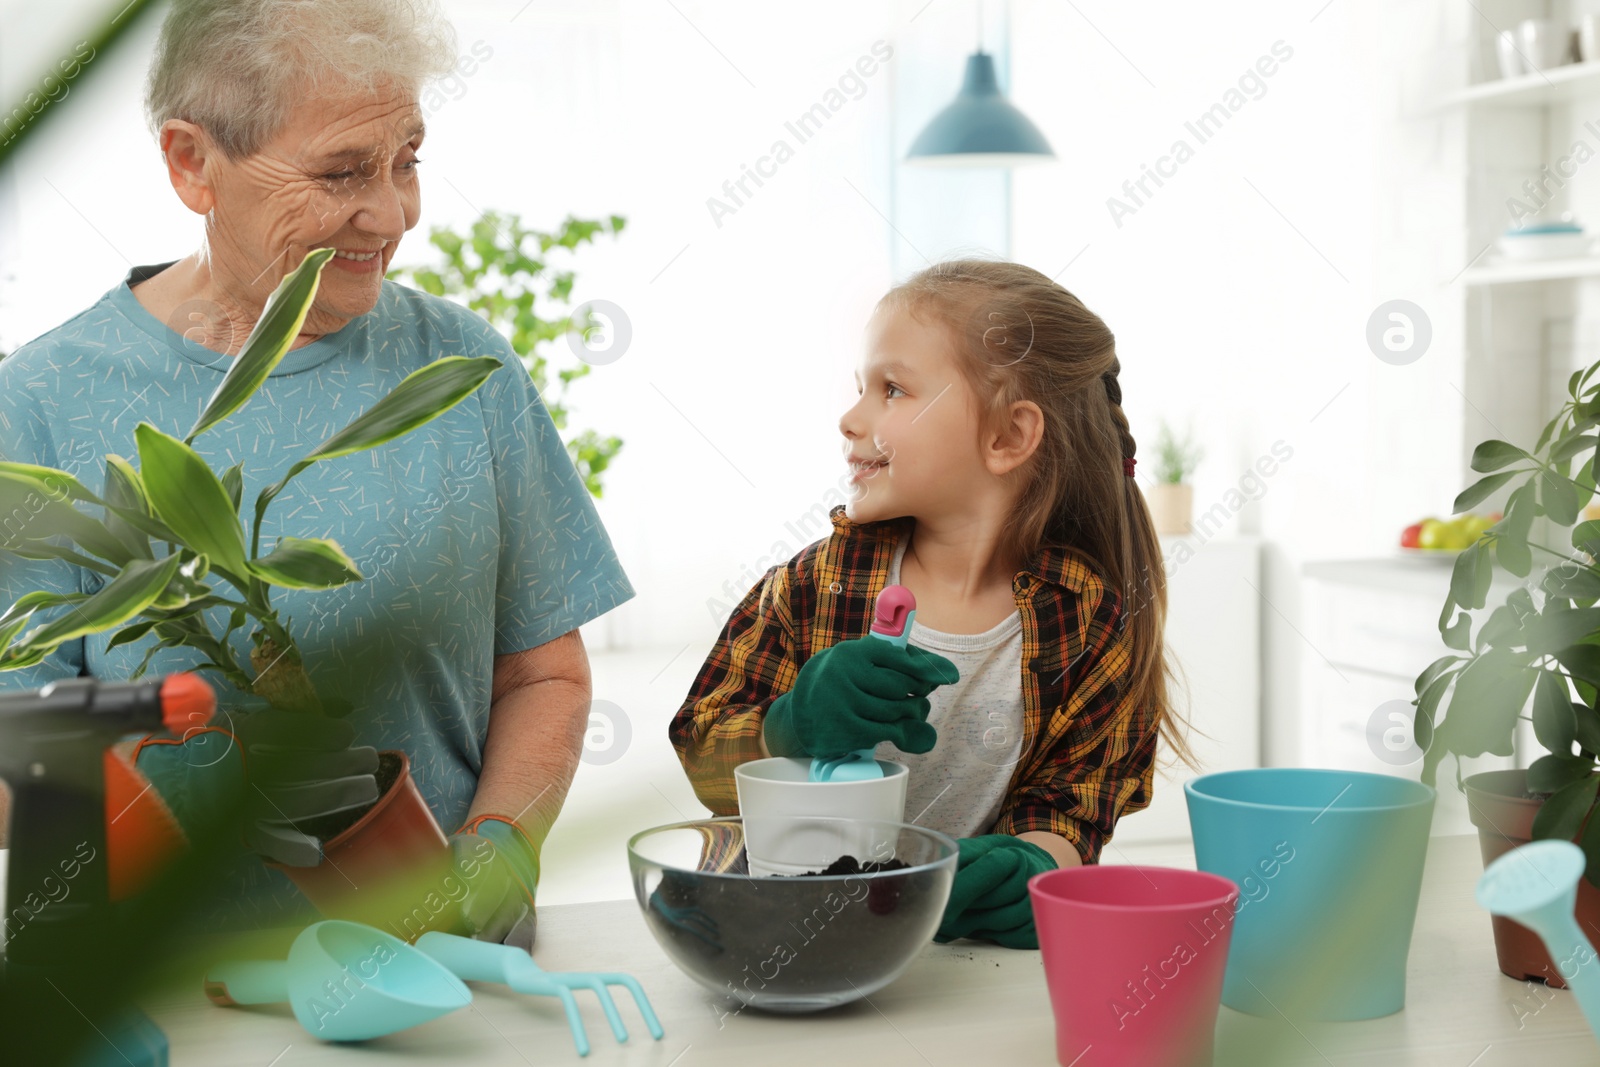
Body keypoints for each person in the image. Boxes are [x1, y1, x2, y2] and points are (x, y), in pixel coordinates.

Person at [0, 0, 631, 949]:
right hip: (166, 996)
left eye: (406, 160)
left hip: (447, 972)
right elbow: (18, 754)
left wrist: (501, 843)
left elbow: (544, 672)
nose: (393, 213)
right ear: (191, 162)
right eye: (342, 172)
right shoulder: (42, 402)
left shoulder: (460, 366)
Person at [670, 259, 1189, 948]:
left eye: (892, 389)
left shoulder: (1091, 622)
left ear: (1007, 436)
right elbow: (699, 746)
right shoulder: (809, 586)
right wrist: (786, 728)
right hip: (777, 941)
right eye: (861, 387)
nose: (851, 417)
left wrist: (1036, 865)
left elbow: (1073, 804)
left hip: (958, 960)